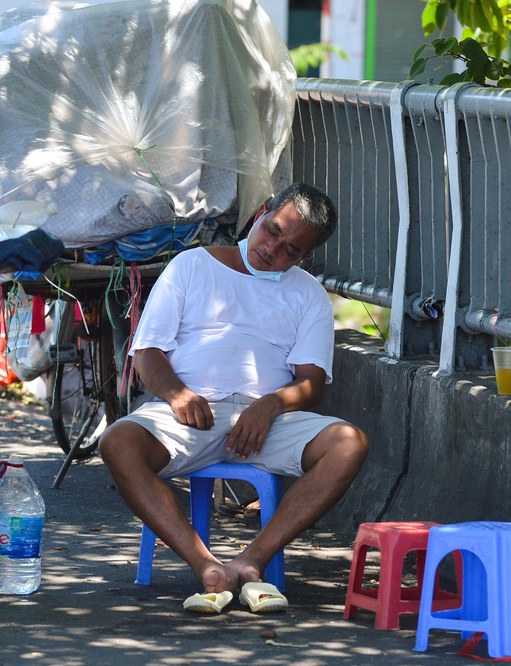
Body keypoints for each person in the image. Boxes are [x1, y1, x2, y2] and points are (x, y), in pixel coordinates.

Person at [98, 182, 369, 613]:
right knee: (116, 442)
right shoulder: (192, 266)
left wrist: (271, 404)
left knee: (349, 443)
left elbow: (312, 382)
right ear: (260, 212)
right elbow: (147, 352)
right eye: (273, 230)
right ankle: (206, 565)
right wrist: (176, 392)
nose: (273, 249)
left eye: (291, 249)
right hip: (190, 414)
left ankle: (251, 560)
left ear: (305, 257)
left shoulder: (307, 293)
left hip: (269, 422)